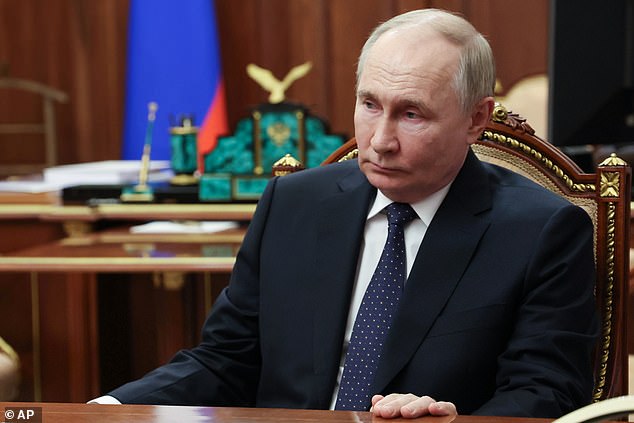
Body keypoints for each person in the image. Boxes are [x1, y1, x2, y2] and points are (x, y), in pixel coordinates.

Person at [94, 8, 598, 419]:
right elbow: (228, 360)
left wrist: (455, 421)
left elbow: (546, 392)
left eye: (411, 113)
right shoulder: (293, 204)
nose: (379, 142)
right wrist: (114, 406)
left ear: (476, 119)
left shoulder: (541, 230)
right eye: (370, 105)